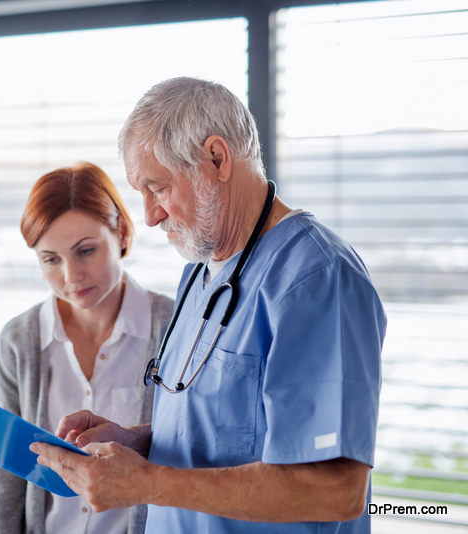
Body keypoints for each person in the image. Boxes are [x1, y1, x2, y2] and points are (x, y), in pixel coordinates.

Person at [30, 78, 386, 533]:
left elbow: (335, 489)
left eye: (157, 188)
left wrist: (147, 483)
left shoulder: (316, 279)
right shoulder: (202, 272)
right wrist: (135, 443)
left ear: (216, 158)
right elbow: (228, 433)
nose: (149, 216)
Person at [0, 162, 175, 534]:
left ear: (121, 232)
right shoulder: (20, 340)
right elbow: (2, 472)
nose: (70, 277)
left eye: (85, 251)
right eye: (51, 259)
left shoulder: (174, 326)